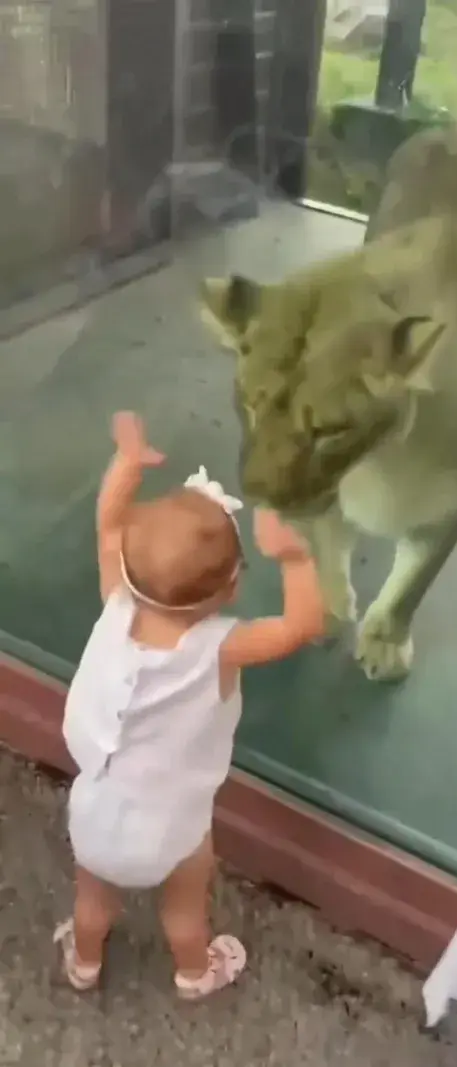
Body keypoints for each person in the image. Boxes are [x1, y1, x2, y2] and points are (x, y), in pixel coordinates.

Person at [55, 411, 325, 999]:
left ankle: (82, 962)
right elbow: (302, 626)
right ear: (232, 587)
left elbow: (108, 527)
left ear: (128, 566)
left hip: (95, 812)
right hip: (172, 827)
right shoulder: (221, 647)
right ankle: (195, 972)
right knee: (184, 908)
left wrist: (127, 462)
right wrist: (296, 559)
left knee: (92, 901)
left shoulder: (115, 603)